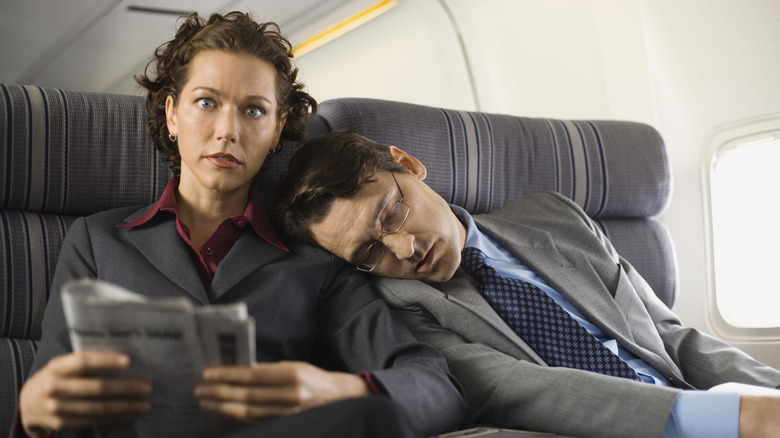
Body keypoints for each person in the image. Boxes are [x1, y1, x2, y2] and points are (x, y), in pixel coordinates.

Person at [15, 13, 465, 438]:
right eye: (207, 102)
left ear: (277, 128)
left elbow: (435, 387)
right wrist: (35, 414)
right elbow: (50, 399)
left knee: (373, 409)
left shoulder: (315, 262)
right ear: (172, 114)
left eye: (253, 111)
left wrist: (334, 390)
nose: (228, 130)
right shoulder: (97, 240)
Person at [275, 130, 780, 438]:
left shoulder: (555, 216)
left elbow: (672, 336)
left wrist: (766, 396)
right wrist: (728, 419)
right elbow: (521, 389)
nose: (402, 249)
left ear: (408, 165)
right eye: (369, 252)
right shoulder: (400, 305)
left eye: (393, 213)